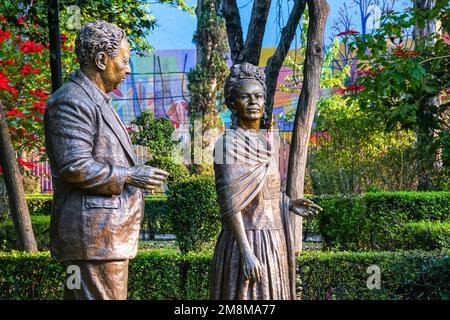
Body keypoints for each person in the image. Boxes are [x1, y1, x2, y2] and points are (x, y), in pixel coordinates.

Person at [44, 21, 168, 300]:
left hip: (100, 240)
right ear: (101, 60)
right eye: (124, 60)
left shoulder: (96, 100)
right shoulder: (72, 101)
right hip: (94, 239)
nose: (128, 69)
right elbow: (74, 167)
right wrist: (129, 175)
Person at [209, 62, 321, 300]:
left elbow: (260, 192)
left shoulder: (264, 143)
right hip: (247, 241)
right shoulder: (227, 145)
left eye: (258, 96)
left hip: (273, 239)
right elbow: (230, 204)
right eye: (245, 97)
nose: (253, 103)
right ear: (232, 103)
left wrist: (287, 202)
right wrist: (247, 252)